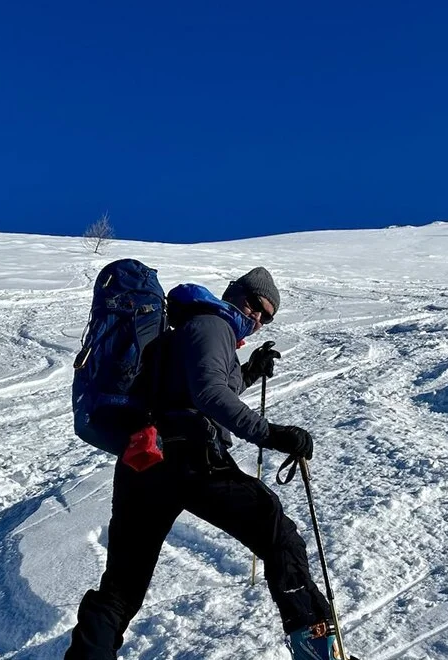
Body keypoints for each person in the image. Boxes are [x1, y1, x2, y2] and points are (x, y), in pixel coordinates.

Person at [65, 267, 341, 660]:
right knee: (278, 533)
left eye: (266, 317)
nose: (257, 318)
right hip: (190, 457)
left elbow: (199, 383)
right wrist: (272, 434)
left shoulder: (190, 326)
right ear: (234, 292)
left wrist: (248, 372)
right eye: (255, 304)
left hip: (143, 460)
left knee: (122, 587)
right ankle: (316, 647)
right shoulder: (214, 324)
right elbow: (209, 393)